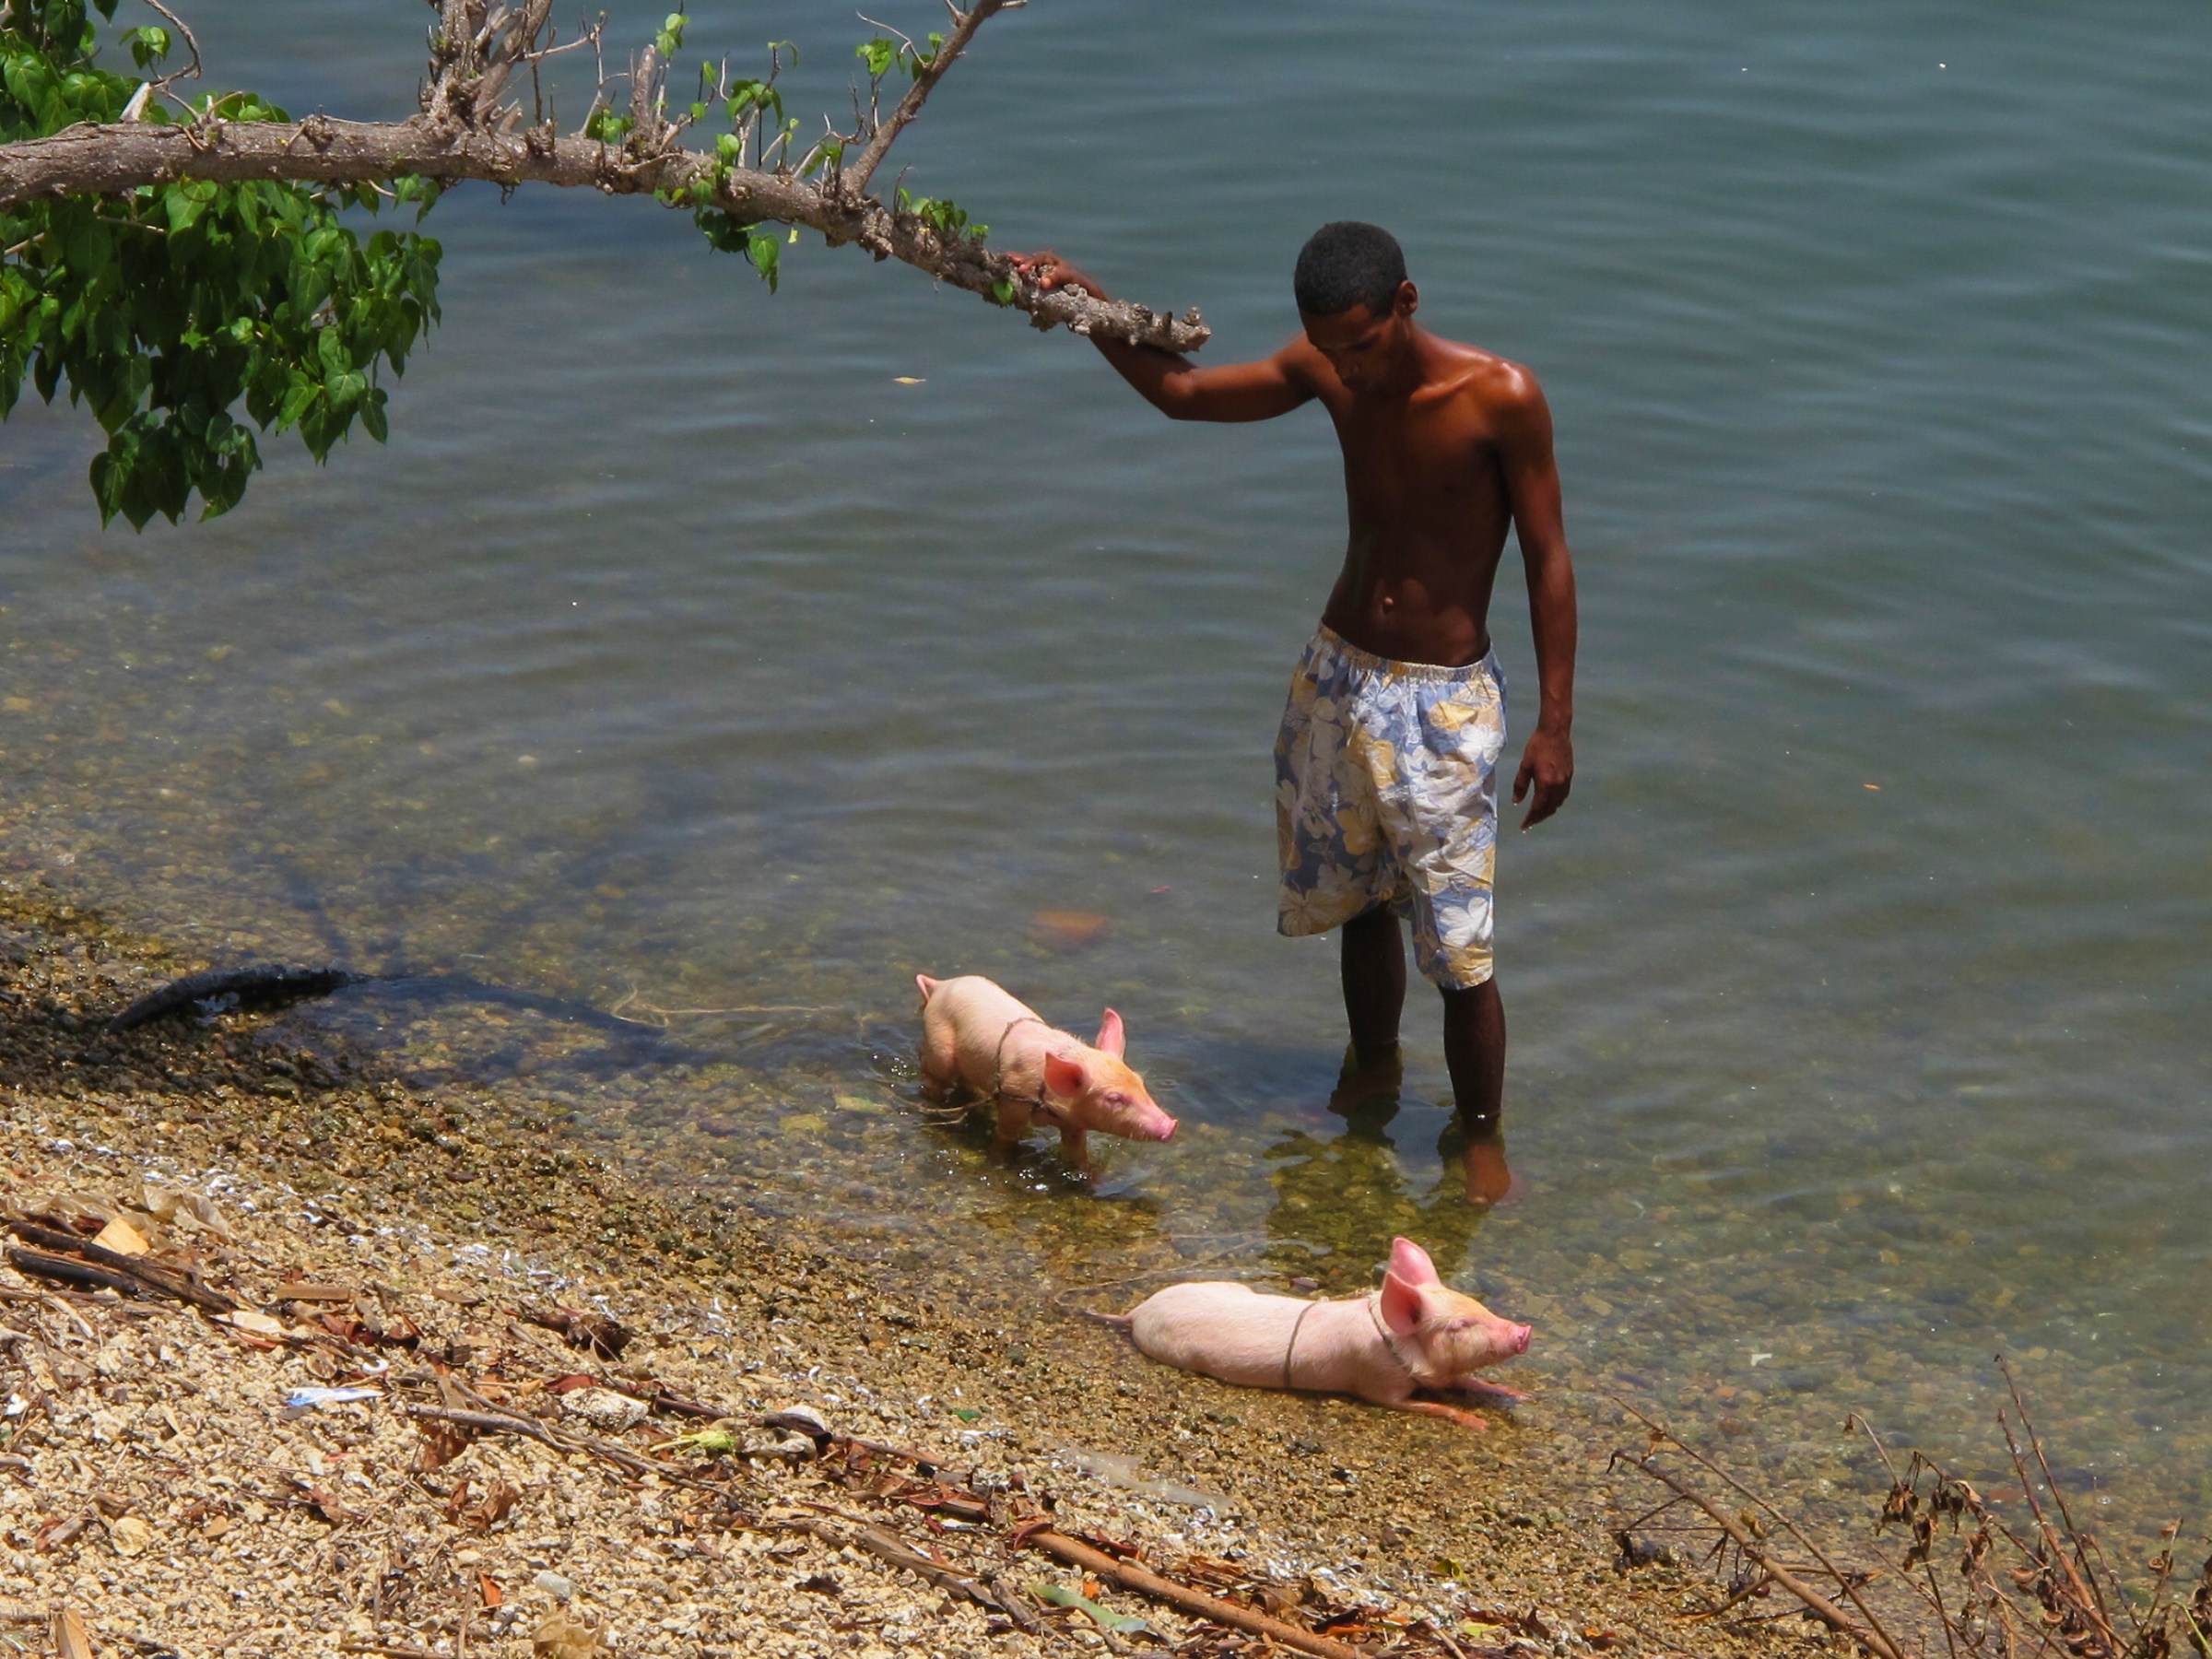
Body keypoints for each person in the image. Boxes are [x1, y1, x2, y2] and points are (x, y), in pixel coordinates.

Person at [1009, 222, 1577, 1206]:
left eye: (1360, 344)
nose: (1345, 367)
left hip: (1443, 702)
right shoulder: (1325, 373)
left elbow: (1548, 560)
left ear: (1405, 304)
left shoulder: (1500, 399)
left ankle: (1480, 1138)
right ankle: (1368, 1079)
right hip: (1336, 676)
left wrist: (1556, 721)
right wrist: (1082, 304)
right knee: (1355, 904)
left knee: (1458, 946)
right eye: (1328, 346)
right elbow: (1183, 396)